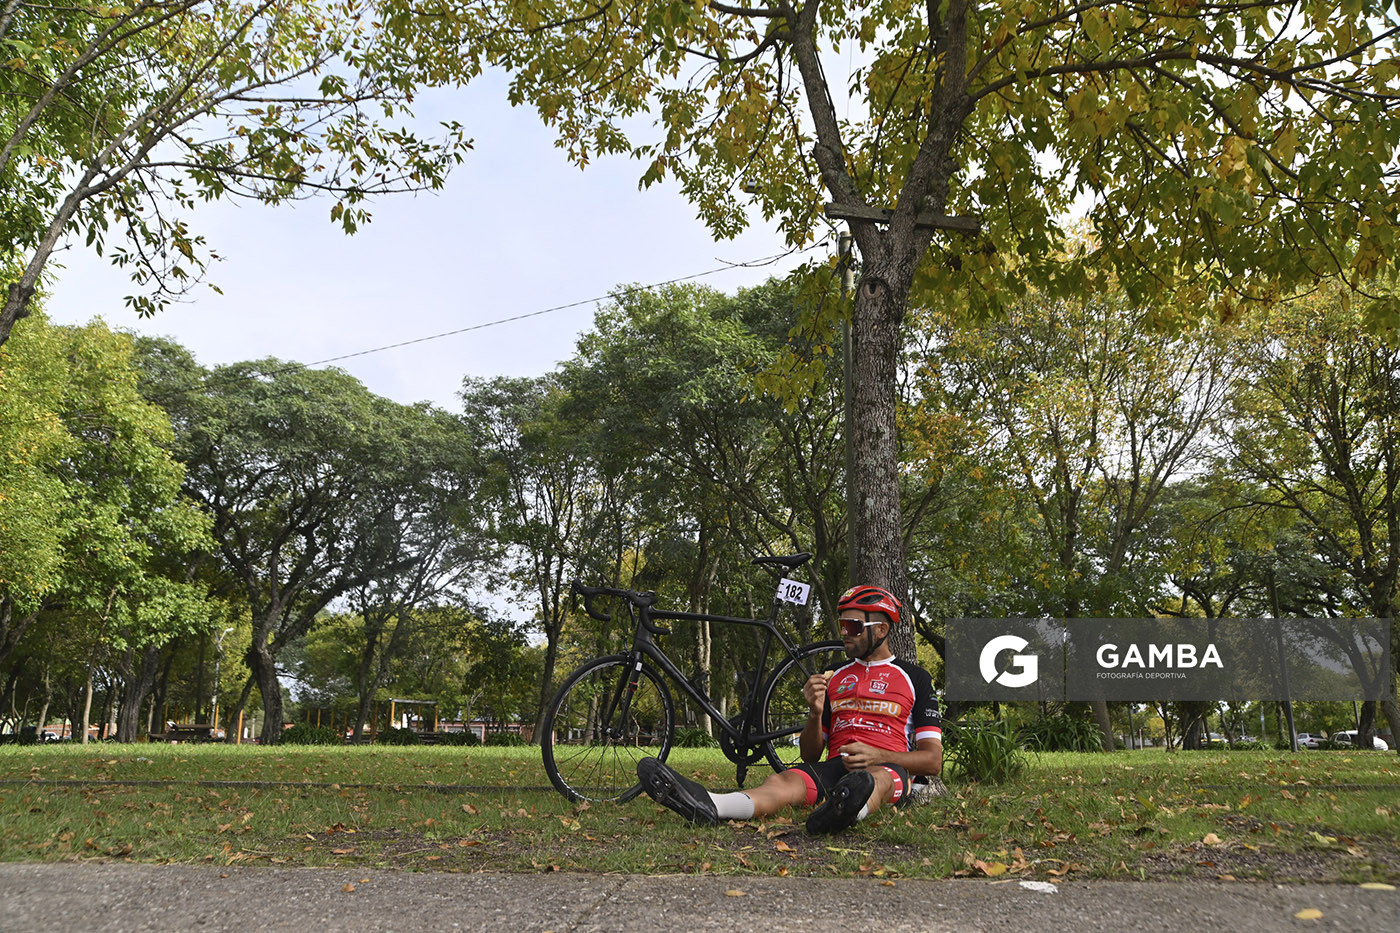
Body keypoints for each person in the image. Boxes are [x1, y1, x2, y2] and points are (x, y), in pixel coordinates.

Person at [637, 584, 942, 835]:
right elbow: (810, 755)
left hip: (889, 770)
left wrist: (879, 756)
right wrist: (814, 713)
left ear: (882, 629)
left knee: (876, 780)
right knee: (783, 781)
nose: (845, 633)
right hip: (836, 768)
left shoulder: (914, 678)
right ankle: (712, 804)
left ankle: (850, 811)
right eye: (842, 625)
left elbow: (932, 761)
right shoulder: (835, 675)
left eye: (853, 626)